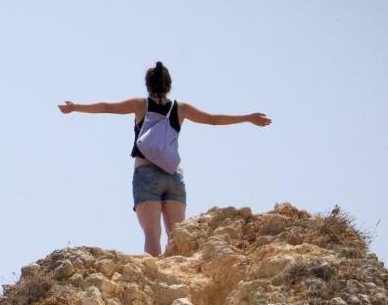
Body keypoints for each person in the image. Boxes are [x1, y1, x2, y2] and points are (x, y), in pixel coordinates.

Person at [58, 61, 272, 257]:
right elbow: (213, 120)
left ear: (147, 85)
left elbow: (106, 107)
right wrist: (248, 118)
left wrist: (75, 107)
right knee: (178, 237)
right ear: (169, 85)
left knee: (152, 235)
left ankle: (156, 282)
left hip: (146, 173)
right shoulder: (181, 108)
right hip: (173, 175)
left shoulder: (140, 105)